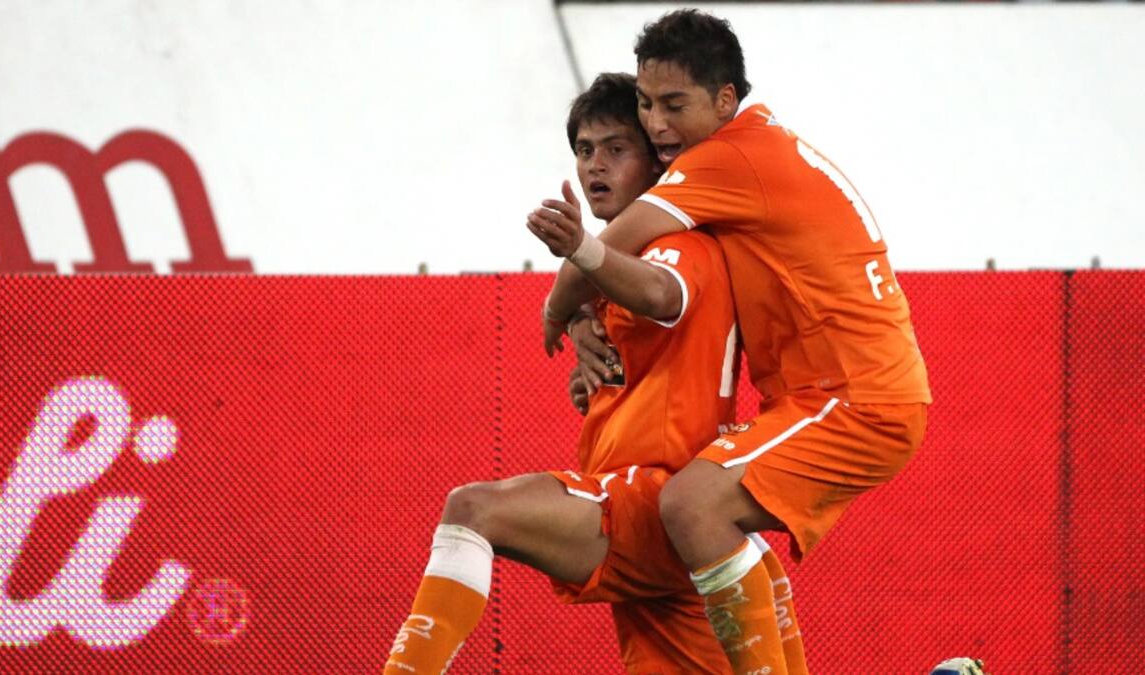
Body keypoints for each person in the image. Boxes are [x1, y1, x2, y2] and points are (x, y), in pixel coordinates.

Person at [531, 9, 932, 674]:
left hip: (855, 398)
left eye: (673, 105)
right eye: (645, 103)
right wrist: (586, 322)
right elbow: (631, 276)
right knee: (714, 520)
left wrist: (557, 312)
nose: (657, 124)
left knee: (692, 504)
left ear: (725, 100)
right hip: (832, 397)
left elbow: (606, 250)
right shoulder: (746, 159)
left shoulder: (725, 157)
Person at [384, 72, 787, 675]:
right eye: (583, 150)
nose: (595, 165)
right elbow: (635, 328)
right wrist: (586, 348)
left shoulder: (682, 245)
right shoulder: (616, 275)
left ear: (657, 164)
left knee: (472, 510)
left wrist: (580, 251)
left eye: (617, 149)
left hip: (661, 500)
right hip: (686, 534)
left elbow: (659, 293)